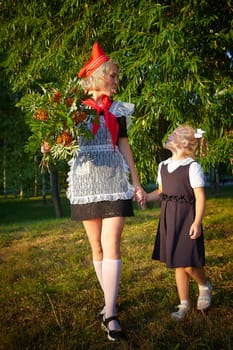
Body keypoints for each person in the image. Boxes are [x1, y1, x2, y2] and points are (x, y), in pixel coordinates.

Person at [64, 42, 145, 340]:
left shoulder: (118, 110)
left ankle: (110, 313)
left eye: (116, 77)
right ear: (96, 76)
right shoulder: (73, 110)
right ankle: (107, 303)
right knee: (96, 247)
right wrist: (49, 144)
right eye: (111, 76)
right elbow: (62, 142)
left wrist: (135, 182)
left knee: (112, 244)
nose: (115, 82)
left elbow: (124, 144)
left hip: (114, 180)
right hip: (86, 182)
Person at [145, 125, 212, 321]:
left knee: (189, 264)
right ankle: (184, 304)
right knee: (177, 264)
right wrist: (145, 198)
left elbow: (200, 197)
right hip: (169, 219)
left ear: (183, 143)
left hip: (186, 218)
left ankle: (203, 285)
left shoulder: (192, 167)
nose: (169, 135)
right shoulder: (163, 166)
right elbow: (161, 191)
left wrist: (197, 222)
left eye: (173, 134)